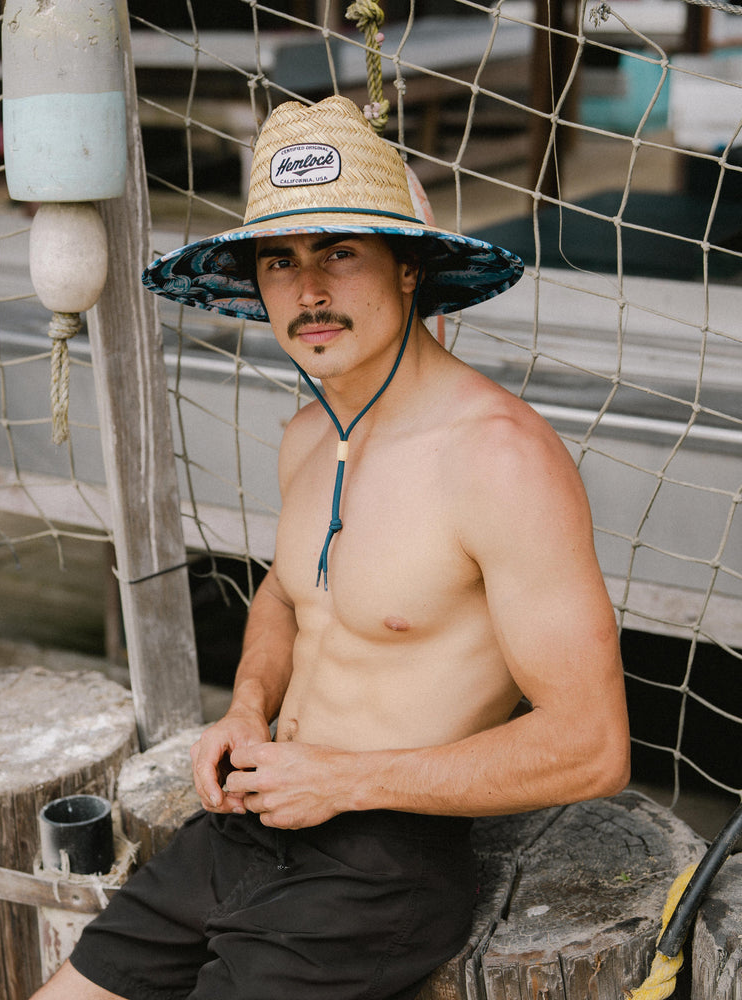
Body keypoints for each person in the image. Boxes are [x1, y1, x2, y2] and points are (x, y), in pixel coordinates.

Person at [34, 95, 629, 1000]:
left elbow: (593, 745)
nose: (308, 291)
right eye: (281, 260)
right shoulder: (310, 435)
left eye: (340, 252)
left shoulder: (500, 459)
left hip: (380, 864)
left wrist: (344, 782)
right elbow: (286, 594)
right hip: (255, 817)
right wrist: (246, 709)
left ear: (408, 269)